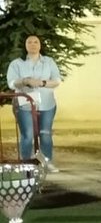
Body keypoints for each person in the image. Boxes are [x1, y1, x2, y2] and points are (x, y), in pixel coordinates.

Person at [7, 34, 62, 171]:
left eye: (35, 42)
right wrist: (24, 81)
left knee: (45, 134)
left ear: (40, 45)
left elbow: (57, 80)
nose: (32, 44)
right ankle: (25, 164)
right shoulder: (17, 63)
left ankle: (47, 162)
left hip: (47, 104)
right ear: (25, 45)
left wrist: (42, 82)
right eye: (29, 42)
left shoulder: (49, 62)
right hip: (25, 104)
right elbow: (11, 83)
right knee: (28, 135)